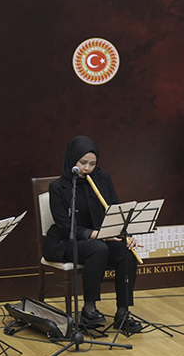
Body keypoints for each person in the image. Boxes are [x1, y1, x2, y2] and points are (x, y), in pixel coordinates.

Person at [43, 136, 142, 334]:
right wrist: (98, 234)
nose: (87, 168)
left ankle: (123, 313)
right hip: (67, 241)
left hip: (101, 237)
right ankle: (89, 310)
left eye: (92, 164)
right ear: (72, 160)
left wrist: (126, 234)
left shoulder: (103, 178)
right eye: (83, 163)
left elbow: (116, 209)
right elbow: (65, 226)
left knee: (126, 253)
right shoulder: (59, 187)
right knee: (98, 248)